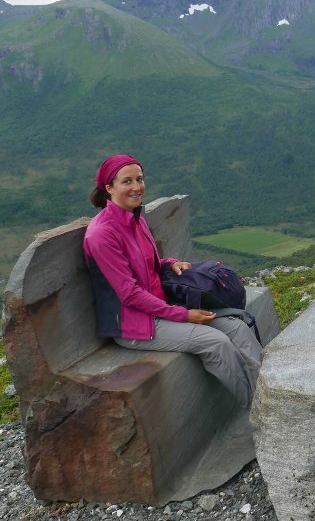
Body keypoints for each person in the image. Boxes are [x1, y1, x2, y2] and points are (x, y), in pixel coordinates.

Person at [82, 154, 261, 409]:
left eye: (139, 179)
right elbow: (129, 294)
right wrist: (184, 315)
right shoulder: (102, 235)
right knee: (215, 342)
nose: (136, 187)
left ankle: (271, 395)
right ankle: (258, 411)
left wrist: (168, 263)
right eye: (127, 181)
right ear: (109, 188)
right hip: (134, 325)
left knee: (237, 328)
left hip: (161, 307)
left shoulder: (134, 217)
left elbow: (146, 264)